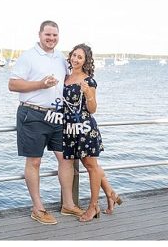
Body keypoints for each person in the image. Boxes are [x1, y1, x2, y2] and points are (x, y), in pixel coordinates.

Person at [9, 20, 83, 225]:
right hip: (32, 115)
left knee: (66, 159)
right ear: (39, 34)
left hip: (58, 115)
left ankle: (68, 204)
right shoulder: (28, 56)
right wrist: (40, 84)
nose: (51, 38)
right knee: (34, 162)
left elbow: (73, 78)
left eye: (55, 35)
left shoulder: (61, 57)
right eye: (47, 35)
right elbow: (12, 84)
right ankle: (38, 208)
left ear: (59, 36)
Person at [62, 43, 122, 222]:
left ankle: (93, 206)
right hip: (69, 129)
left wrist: (88, 93)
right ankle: (111, 194)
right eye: (74, 55)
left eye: (80, 57)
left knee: (91, 166)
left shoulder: (89, 81)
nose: (76, 59)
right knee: (91, 165)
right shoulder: (65, 76)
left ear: (86, 61)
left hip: (85, 128)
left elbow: (93, 108)